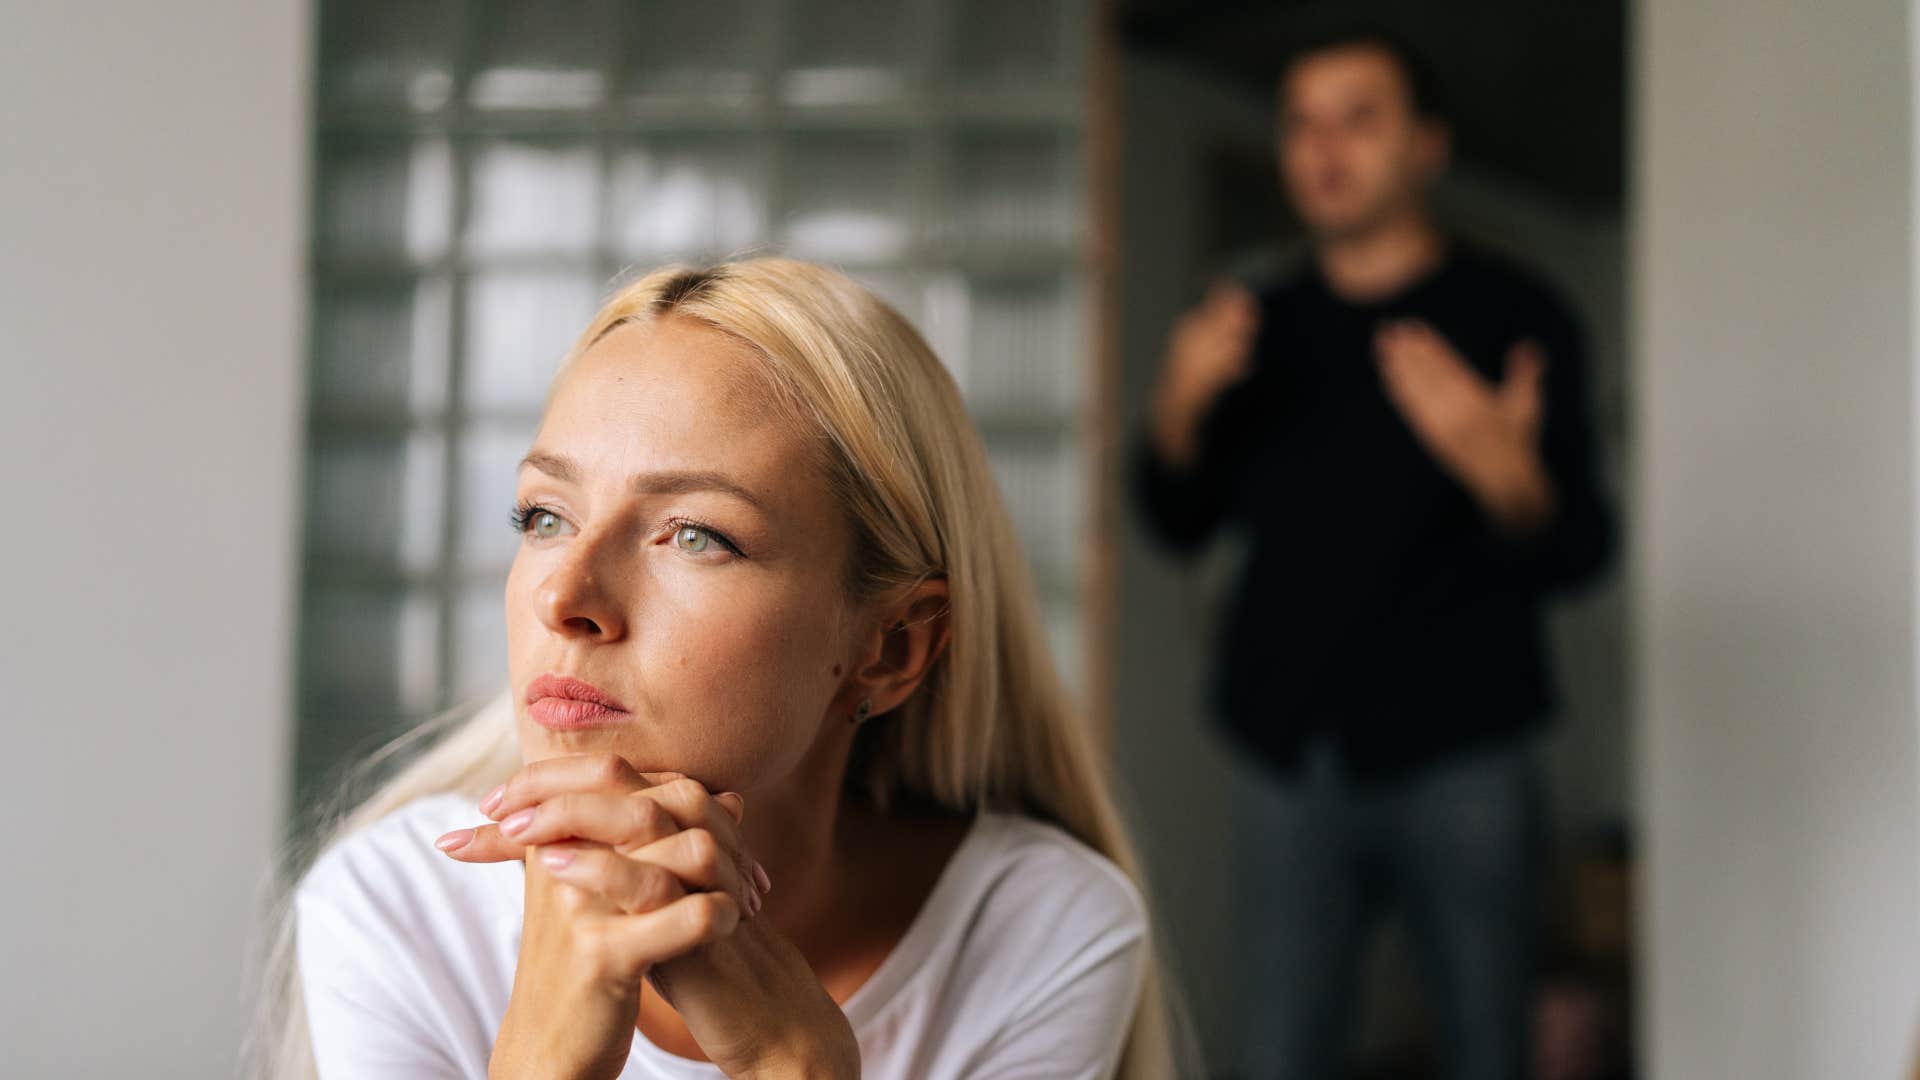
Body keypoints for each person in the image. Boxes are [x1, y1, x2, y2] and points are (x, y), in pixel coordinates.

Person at [249, 258, 1189, 1079]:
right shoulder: (398, 909)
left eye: (695, 534)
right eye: (545, 516)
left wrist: (797, 1067)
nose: (564, 595)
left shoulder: (1036, 932)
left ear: (893, 645)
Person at [1128, 24, 1616, 1080]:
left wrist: (1504, 473)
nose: (1323, 147)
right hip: (1289, 752)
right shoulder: (1252, 321)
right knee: (1281, 1049)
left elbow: (1583, 551)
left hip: (1469, 750)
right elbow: (1175, 521)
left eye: (1360, 117)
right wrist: (1175, 409)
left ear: (1427, 145)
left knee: (1488, 1042)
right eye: (1302, 122)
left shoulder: (1516, 316)